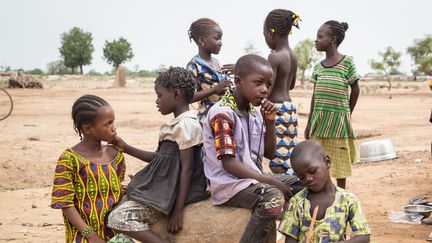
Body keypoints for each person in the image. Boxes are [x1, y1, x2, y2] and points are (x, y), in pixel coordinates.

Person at [203, 54, 303, 243]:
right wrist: (269, 181)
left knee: (303, 182)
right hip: (230, 184)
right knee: (273, 198)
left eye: (268, 84)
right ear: (238, 81)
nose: (264, 90)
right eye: (258, 83)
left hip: (252, 180)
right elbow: (229, 164)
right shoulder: (222, 113)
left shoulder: (254, 113)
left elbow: (269, 153)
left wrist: (270, 121)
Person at [107, 67, 209, 243]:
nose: (156, 101)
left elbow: (187, 168)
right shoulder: (176, 125)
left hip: (172, 191)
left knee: (118, 218)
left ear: (176, 94)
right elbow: (160, 159)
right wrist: (127, 148)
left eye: (160, 96)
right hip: (166, 185)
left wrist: (177, 210)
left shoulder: (187, 125)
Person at [51, 95, 125, 243]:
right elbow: (64, 203)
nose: (113, 127)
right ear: (87, 129)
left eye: (113, 122)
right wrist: (91, 236)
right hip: (84, 237)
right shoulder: (69, 159)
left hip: (116, 236)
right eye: (108, 123)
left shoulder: (116, 154)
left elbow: (116, 190)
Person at [278, 140, 371, 242]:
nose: (308, 179)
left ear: (327, 162)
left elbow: (364, 237)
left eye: (312, 171)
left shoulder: (348, 199)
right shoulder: (297, 203)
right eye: (302, 177)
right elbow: (290, 240)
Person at [305, 20, 360, 189]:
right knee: (317, 160)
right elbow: (315, 96)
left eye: (319, 37)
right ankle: (322, 192)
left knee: (340, 164)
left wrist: (346, 114)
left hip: (338, 124)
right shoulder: (318, 68)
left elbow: (355, 90)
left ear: (333, 39)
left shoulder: (347, 63)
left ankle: (341, 195)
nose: (316, 40)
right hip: (319, 122)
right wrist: (309, 123)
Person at [263, 9, 301, 175]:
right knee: (288, 154)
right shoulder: (292, 56)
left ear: (271, 33)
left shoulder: (274, 57)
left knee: (277, 157)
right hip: (290, 109)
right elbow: (291, 85)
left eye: (264, 34)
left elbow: (266, 88)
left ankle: (284, 189)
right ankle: (292, 182)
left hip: (276, 109)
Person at [187, 17, 234, 122]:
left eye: (221, 39)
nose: (221, 43)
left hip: (226, 116)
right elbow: (189, 97)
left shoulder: (216, 63)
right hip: (209, 120)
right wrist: (214, 90)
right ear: (201, 40)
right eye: (217, 38)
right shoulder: (194, 66)